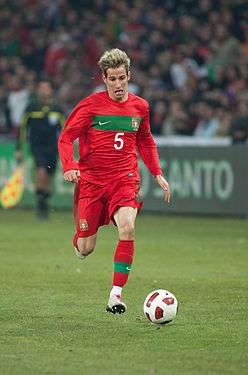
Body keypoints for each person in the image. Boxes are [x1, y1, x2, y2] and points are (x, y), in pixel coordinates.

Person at [58, 49, 170, 314]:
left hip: (125, 179)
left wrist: (157, 172)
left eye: (122, 78)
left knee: (128, 228)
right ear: (104, 79)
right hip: (92, 182)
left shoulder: (140, 106)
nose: (118, 84)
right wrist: (70, 166)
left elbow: (145, 141)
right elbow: (65, 137)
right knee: (86, 248)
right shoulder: (90, 106)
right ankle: (80, 240)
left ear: (129, 75)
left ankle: (115, 296)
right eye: (112, 79)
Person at [16, 81, 64, 219]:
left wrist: (66, 148)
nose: (44, 91)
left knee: (48, 177)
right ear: (38, 91)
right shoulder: (31, 108)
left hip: (52, 147)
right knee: (41, 172)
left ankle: (44, 205)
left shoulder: (57, 108)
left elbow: (65, 130)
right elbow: (22, 128)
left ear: (50, 91)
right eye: (41, 88)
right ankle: (41, 207)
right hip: (37, 146)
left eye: (46, 88)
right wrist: (19, 148)